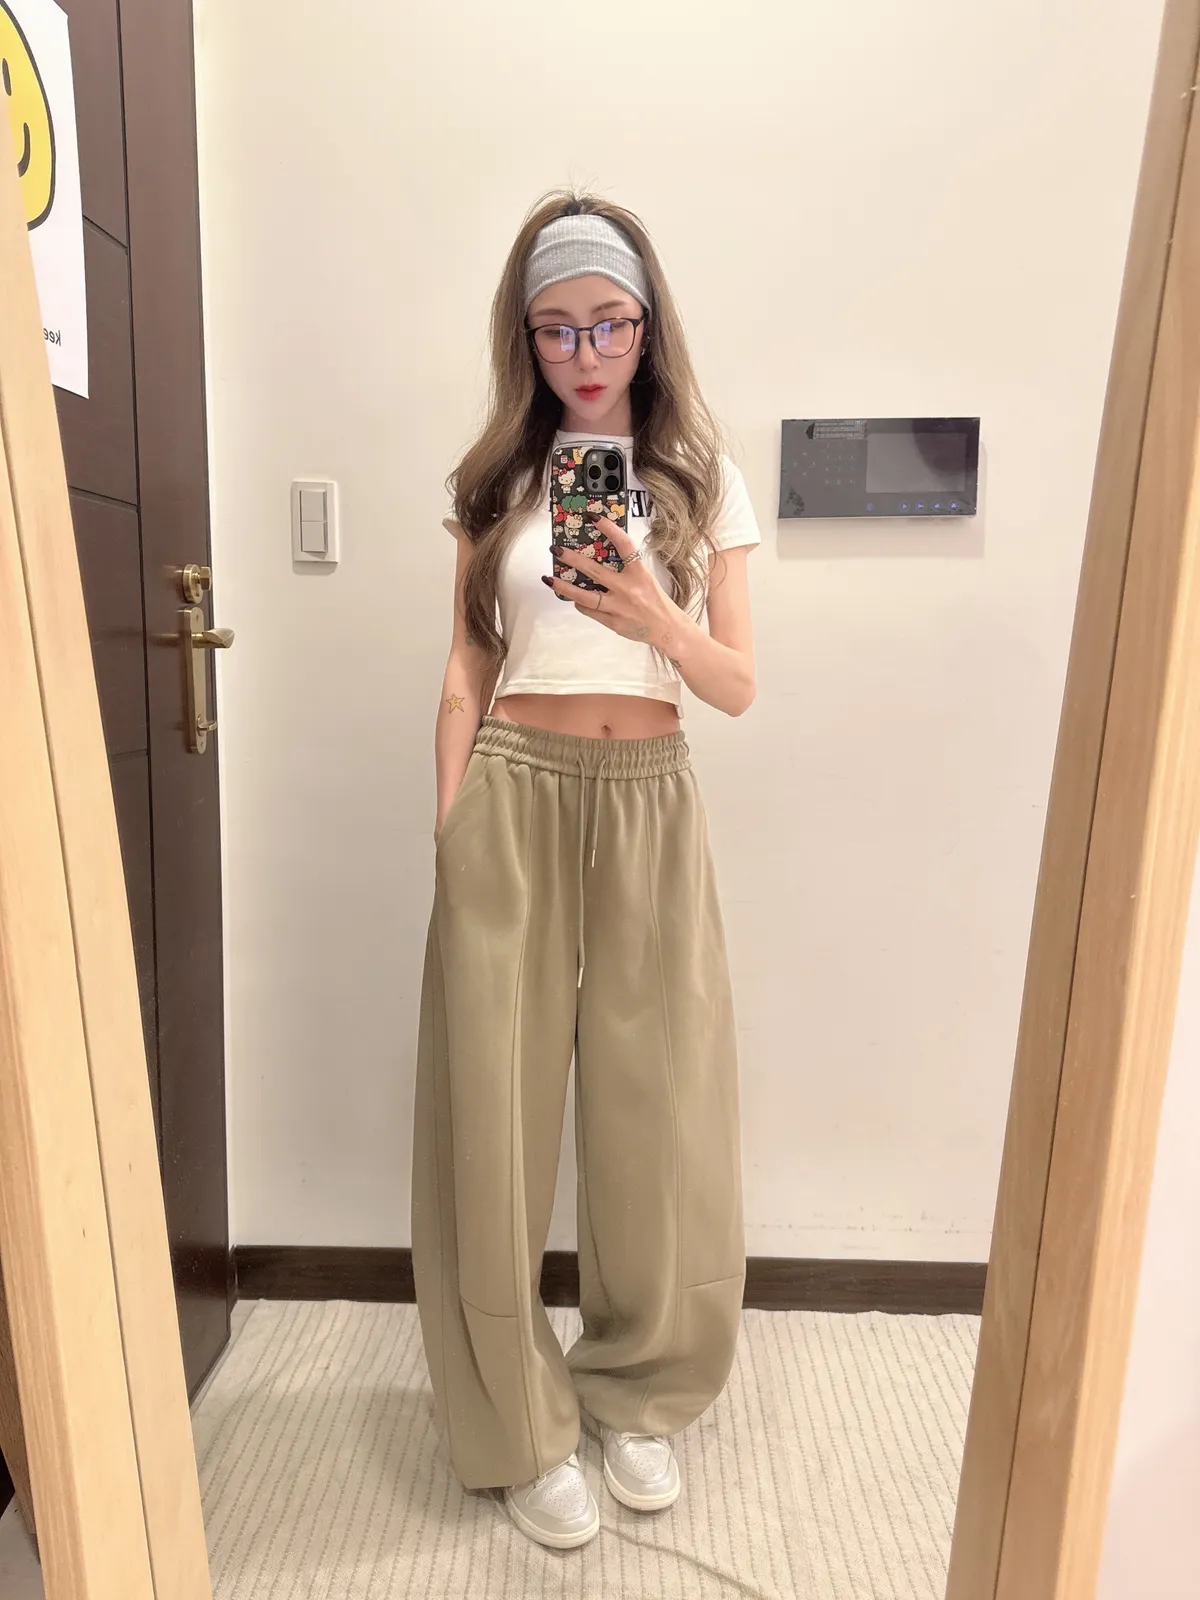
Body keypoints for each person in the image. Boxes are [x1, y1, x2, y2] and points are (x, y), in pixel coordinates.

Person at [410, 191, 762, 1550]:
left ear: (648, 322)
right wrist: (450, 818)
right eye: (554, 329)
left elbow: (735, 686)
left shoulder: (702, 480)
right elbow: (464, 664)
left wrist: (656, 613)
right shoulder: (494, 483)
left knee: (655, 1107)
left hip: (651, 796)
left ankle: (639, 1388)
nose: (585, 352)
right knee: (492, 1114)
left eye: (609, 321)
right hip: (513, 791)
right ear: (526, 338)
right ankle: (518, 1419)